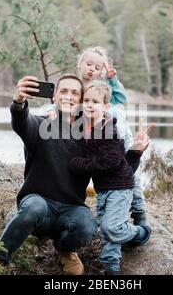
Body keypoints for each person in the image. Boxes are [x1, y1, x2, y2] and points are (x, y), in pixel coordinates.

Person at [0, 74, 96, 275]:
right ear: (54, 97)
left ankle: (65, 250)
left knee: (87, 225)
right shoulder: (40, 125)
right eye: (64, 91)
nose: (69, 96)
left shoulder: (90, 136)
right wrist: (19, 101)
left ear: (82, 100)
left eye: (75, 93)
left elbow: (113, 166)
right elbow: (22, 121)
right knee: (34, 207)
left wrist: (135, 153)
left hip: (70, 209)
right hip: (39, 205)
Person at [46, 46, 149, 226]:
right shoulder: (75, 87)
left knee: (130, 171)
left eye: (97, 67)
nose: (92, 69)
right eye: (88, 64)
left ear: (102, 71)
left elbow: (121, 99)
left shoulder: (103, 88)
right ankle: (105, 210)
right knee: (101, 171)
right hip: (95, 137)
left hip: (119, 134)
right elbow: (62, 102)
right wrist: (51, 112)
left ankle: (138, 209)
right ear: (80, 65)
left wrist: (113, 79)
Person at [68, 80, 151, 275]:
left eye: (95, 102)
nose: (89, 104)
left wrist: (77, 164)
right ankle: (111, 265)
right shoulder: (86, 125)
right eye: (86, 100)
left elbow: (109, 163)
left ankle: (140, 232)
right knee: (106, 230)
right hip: (103, 188)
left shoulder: (109, 130)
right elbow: (60, 107)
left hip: (120, 186)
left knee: (111, 227)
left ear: (106, 107)